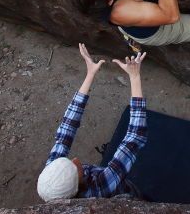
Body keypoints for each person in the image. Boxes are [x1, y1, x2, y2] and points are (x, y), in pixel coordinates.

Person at [37, 43, 148, 201]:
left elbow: (67, 127)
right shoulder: (102, 186)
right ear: (79, 185)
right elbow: (135, 136)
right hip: (126, 194)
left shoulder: (53, 177)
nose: (75, 160)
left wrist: (90, 74)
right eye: (75, 167)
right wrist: (135, 77)